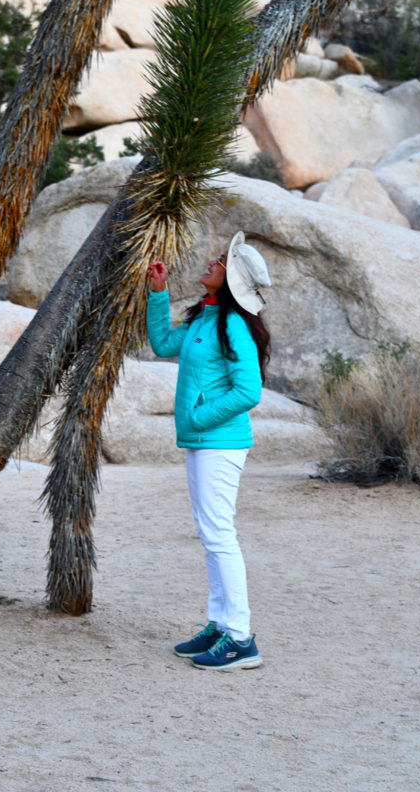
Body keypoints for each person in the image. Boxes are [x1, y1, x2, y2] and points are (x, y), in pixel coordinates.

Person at [147, 231, 271, 671]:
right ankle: (220, 626)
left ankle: (239, 639)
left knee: (220, 535)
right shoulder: (206, 318)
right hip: (202, 442)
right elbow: (163, 344)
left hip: (220, 441)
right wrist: (158, 292)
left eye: (219, 261)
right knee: (210, 533)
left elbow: (249, 391)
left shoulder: (234, 325)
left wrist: (198, 417)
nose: (210, 263)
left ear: (231, 277)